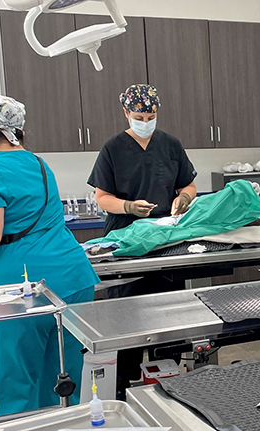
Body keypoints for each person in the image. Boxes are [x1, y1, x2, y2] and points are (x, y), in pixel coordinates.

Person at [0, 95, 100, 416]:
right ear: (19, 133)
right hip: (71, 282)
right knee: (63, 382)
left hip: (18, 293)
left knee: (14, 384)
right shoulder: (40, 165)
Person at [88, 84, 197, 399]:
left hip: (165, 237)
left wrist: (184, 200)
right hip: (126, 239)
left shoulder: (170, 145)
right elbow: (102, 197)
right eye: (139, 115)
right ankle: (123, 390)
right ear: (126, 113)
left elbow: (187, 185)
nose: (145, 121)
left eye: (151, 115)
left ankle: (172, 387)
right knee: (128, 316)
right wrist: (128, 207)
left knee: (170, 311)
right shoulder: (113, 149)